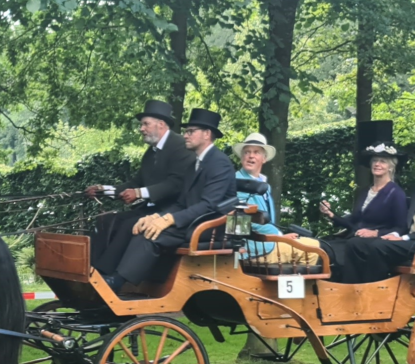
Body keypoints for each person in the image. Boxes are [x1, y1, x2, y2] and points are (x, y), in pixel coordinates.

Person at [104, 108, 237, 291]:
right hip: (192, 221)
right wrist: (157, 216)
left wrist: (169, 219)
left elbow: (209, 205)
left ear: (207, 134)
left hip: (211, 226)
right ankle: (125, 279)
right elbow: (182, 203)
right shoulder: (194, 164)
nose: (185, 136)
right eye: (185, 131)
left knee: (151, 235)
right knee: (145, 226)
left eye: (191, 131)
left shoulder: (219, 162)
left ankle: (119, 282)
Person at [87, 100, 196, 276]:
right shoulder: (150, 154)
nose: (141, 129)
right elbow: (135, 182)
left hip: (171, 213)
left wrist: (139, 193)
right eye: (141, 124)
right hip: (149, 209)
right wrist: (103, 190)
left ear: (161, 125)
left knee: (129, 226)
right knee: (106, 220)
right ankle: (90, 268)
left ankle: (106, 276)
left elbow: (176, 184)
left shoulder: (180, 146)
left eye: (145, 124)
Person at [317, 121, 409, 279]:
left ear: (390, 167)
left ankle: (355, 289)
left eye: (382, 161)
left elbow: (401, 228)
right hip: (356, 239)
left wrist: (375, 232)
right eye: (374, 160)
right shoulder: (365, 191)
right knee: (324, 246)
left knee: (352, 246)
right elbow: (355, 222)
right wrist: (331, 215)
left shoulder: (395, 193)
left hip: (376, 243)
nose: (377, 164)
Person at [233, 132, 320, 265]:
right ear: (241, 157)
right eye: (247, 152)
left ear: (264, 158)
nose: (251, 156)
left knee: (309, 242)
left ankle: (284, 283)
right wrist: (279, 237)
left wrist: (279, 236)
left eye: (256, 152)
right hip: (251, 247)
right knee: (313, 248)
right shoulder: (238, 182)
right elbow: (247, 223)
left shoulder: (264, 185)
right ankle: (298, 285)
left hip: (264, 241)